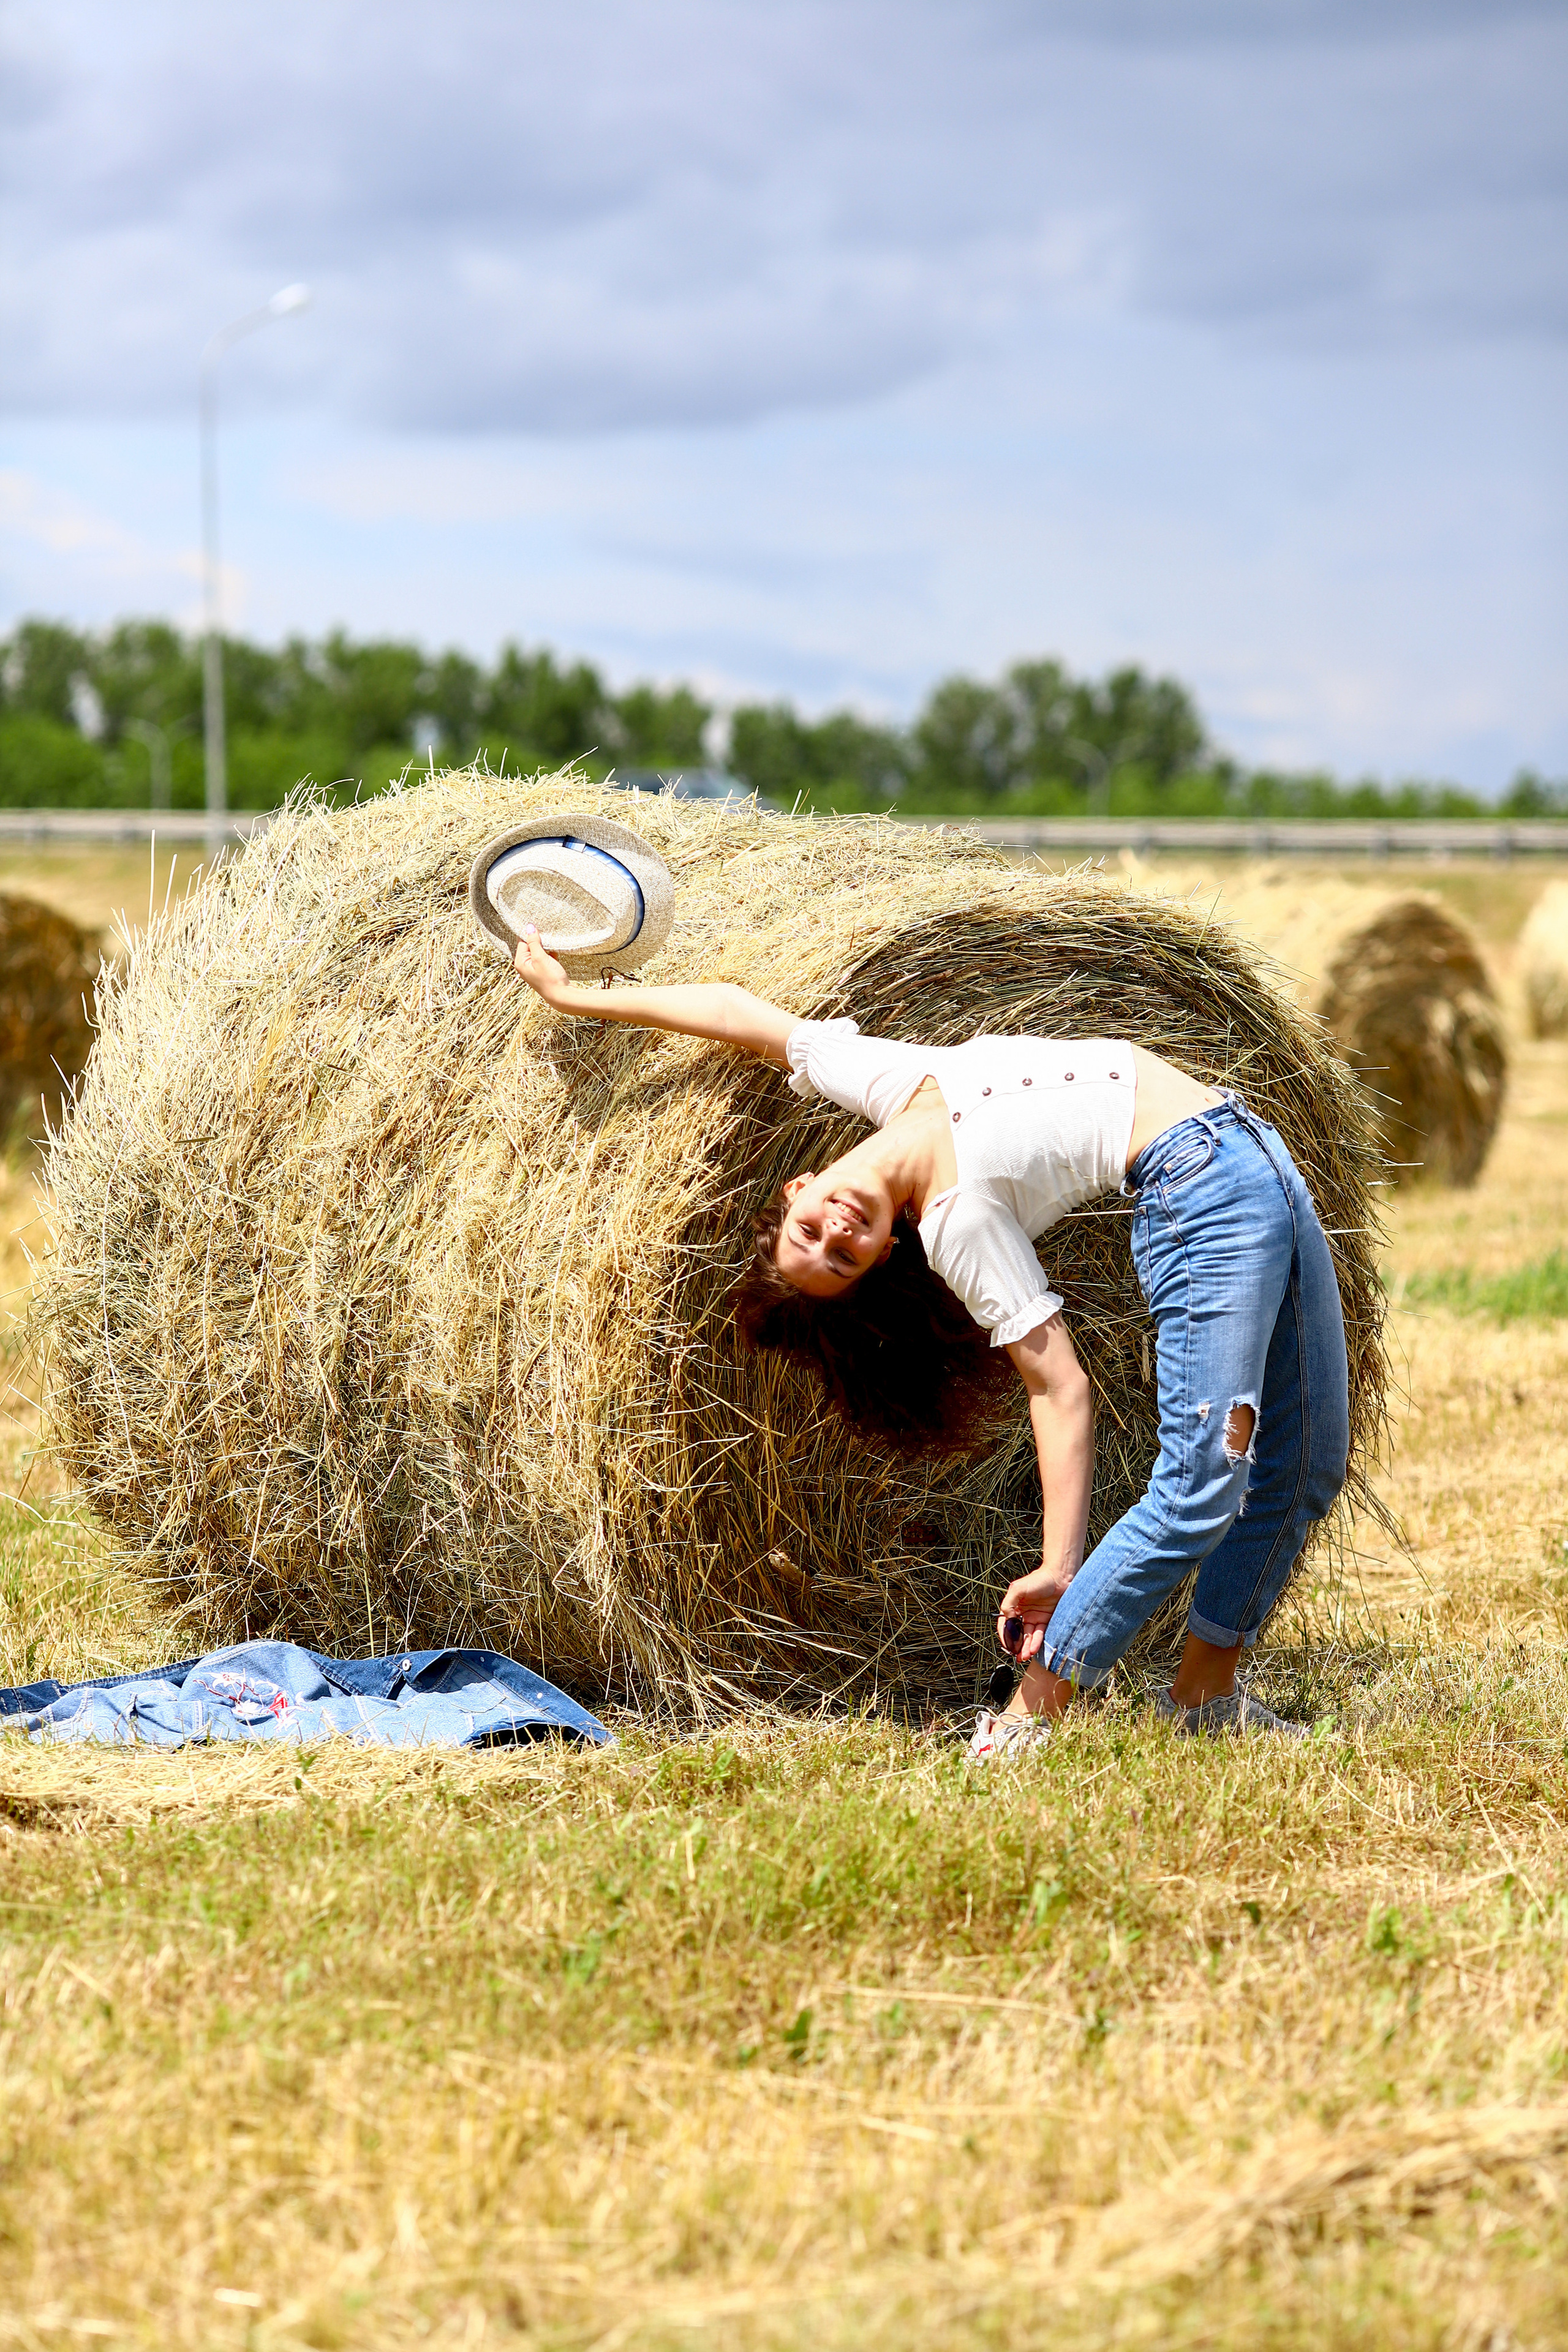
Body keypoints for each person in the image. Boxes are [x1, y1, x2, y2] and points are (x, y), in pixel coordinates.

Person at [510, 926, 1350, 1757]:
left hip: (1257, 1151)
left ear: (802, 1187)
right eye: (840, 1257)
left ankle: (1203, 1697)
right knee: (1203, 1474)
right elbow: (1056, 1385)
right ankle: (1023, 1720)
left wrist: (577, 994)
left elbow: (738, 1013)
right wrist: (1059, 1565)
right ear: (881, 1255)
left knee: (1308, 1463)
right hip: (1197, 1188)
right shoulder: (957, 1224)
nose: (834, 1233)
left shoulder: (892, 1081)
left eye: (810, 1229)